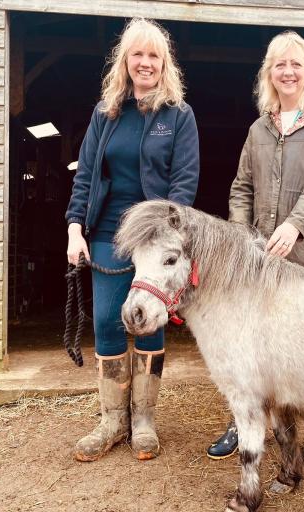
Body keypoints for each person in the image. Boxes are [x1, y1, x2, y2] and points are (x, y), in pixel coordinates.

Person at [65, 17, 199, 462]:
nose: (145, 63)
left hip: (154, 236)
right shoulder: (105, 113)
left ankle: (143, 420)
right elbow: (84, 174)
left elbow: (183, 181)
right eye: (138, 54)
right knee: (106, 320)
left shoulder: (178, 115)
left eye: (154, 56)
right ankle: (111, 422)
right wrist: (73, 227)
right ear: (125, 60)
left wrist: (166, 237)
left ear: (165, 64)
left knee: (147, 319)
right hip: (107, 231)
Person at [206, 31, 304, 467]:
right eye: (279, 65)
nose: (288, 71)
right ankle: (246, 420)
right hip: (260, 256)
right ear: (270, 72)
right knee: (255, 343)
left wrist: (294, 226)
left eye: (296, 64)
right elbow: (241, 187)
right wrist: (240, 238)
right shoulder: (258, 128)